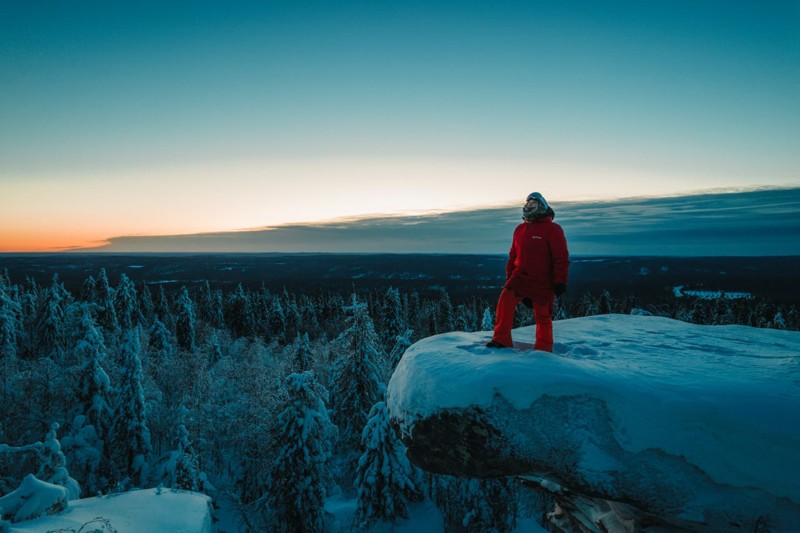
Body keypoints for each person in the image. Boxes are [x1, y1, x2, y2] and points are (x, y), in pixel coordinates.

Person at [487, 192, 569, 352]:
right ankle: (501, 340)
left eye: (533, 204)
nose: (529, 206)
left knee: (543, 315)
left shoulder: (553, 229)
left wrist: (560, 281)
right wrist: (509, 276)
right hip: (519, 278)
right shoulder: (520, 229)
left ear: (542, 206)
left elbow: (561, 257)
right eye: (528, 204)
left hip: (543, 280)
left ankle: (544, 348)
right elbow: (513, 255)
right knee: (504, 304)